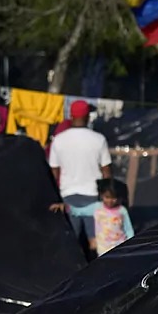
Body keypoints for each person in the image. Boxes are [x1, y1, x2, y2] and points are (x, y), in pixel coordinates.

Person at [48, 100, 112, 249]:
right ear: (88, 116)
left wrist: (53, 198)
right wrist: (109, 196)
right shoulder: (99, 139)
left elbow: (54, 173)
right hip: (93, 196)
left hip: (68, 196)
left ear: (71, 116)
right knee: (96, 243)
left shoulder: (58, 140)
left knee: (72, 243)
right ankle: (96, 269)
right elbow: (107, 172)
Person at [74, 179, 134, 256]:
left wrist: (130, 246)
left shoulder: (122, 210)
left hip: (120, 249)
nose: (110, 201)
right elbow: (79, 211)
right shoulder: (97, 207)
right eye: (107, 197)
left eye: (114, 198)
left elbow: (129, 230)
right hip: (103, 251)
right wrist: (66, 207)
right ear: (102, 195)